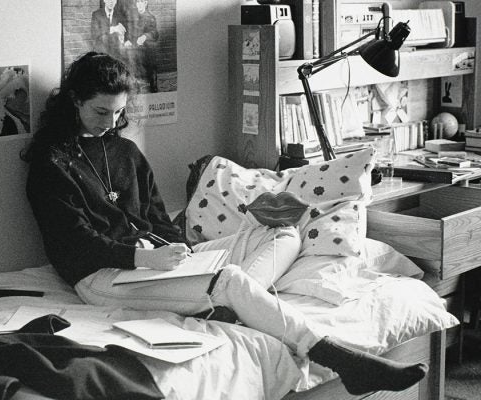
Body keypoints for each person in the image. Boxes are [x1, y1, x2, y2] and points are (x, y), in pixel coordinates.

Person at [21, 52, 428, 396]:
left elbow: (157, 218)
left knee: (281, 230)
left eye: (118, 112)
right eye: (100, 111)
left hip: (154, 258)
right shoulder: (51, 163)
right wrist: (145, 259)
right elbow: (73, 245)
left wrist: (181, 250)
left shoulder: (125, 150)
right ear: (74, 101)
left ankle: (228, 306)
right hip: (101, 275)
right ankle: (335, 355)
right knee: (232, 279)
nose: (110, 122)